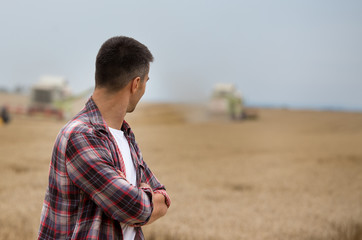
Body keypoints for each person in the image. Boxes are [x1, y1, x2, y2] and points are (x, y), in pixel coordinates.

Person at [38, 36, 171, 240]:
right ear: (136, 84)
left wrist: (144, 196)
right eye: (146, 82)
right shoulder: (80, 135)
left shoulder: (125, 135)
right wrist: (145, 195)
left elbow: (161, 195)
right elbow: (134, 208)